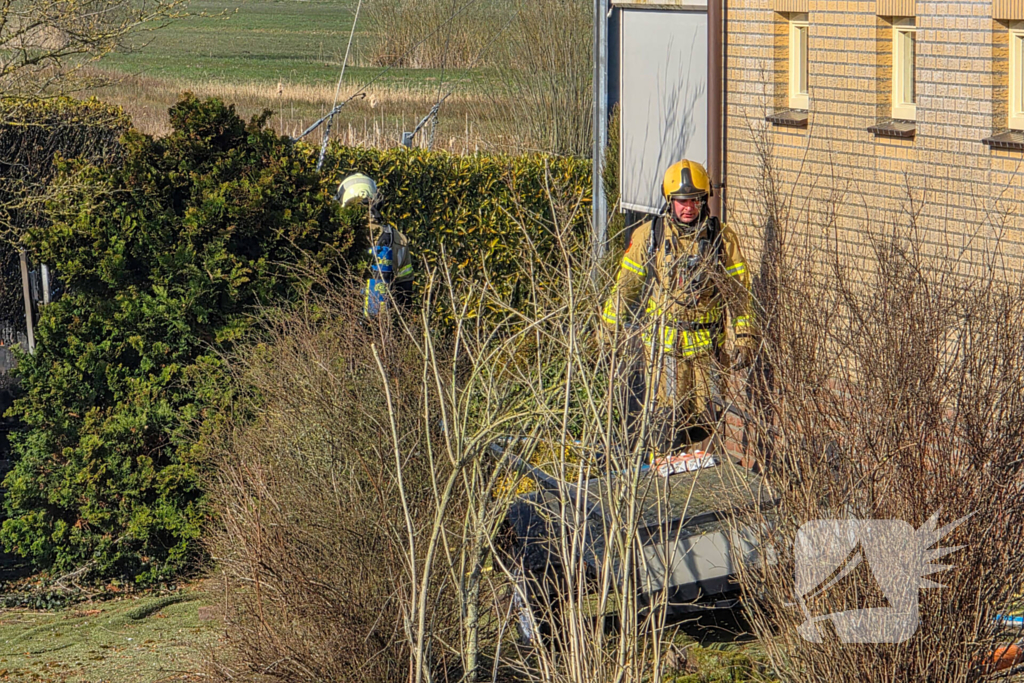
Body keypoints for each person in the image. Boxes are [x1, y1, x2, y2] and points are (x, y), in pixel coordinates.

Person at [600, 159, 756, 458]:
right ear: (670, 201)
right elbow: (626, 287)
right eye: (682, 201)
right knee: (667, 421)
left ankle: (693, 473)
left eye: (695, 200)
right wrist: (608, 332)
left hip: (707, 349)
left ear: (703, 201)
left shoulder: (722, 239)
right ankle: (664, 475)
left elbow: (740, 294)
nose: (689, 208)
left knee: (706, 420)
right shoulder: (650, 236)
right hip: (665, 347)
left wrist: (745, 336)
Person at [337, 173, 414, 317]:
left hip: (342, 320)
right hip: (382, 323)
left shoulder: (337, 234)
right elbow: (405, 292)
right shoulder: (397, 238)